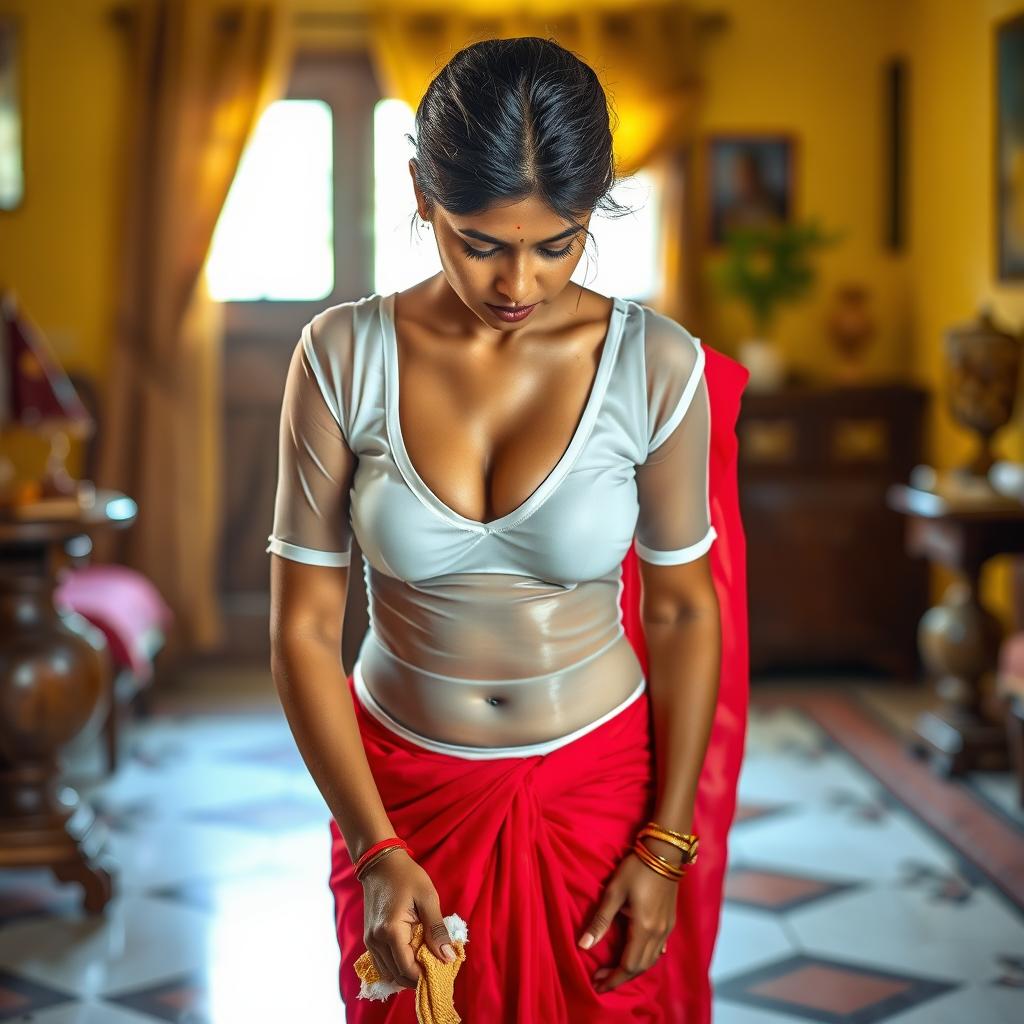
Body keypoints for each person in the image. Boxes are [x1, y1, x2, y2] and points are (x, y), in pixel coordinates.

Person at [267, 36, 750, 1024]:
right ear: (419, 193)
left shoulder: (656, 367)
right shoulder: (341, 356)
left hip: (599, 795)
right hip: (400, 793)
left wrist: (664, 845)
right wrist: (375, 846)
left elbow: (684, 610)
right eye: (479, 241)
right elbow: (305, 628)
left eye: (557, 242)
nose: (517, 283)